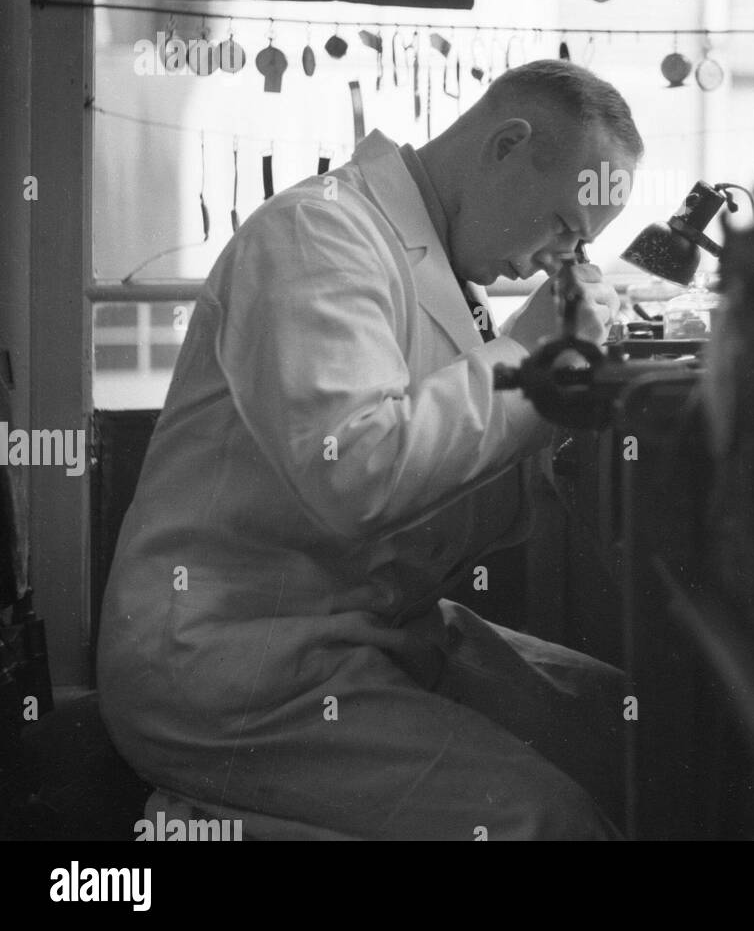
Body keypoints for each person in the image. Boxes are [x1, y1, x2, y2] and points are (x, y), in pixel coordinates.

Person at [97, 60, 641, 840]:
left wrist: (568, 401)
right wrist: (533, 364)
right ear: (506, 144)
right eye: (562, 227)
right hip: (233, 664)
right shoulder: (318, 235)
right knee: (543, 824)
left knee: (635, 737)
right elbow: (357, 476)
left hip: (372, 629)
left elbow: (463, 484)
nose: (552, 261)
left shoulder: (442, 267)